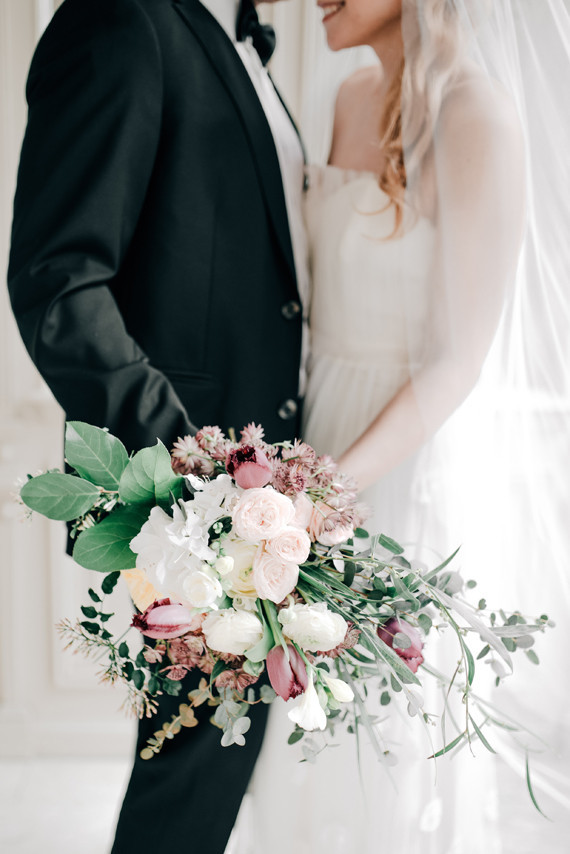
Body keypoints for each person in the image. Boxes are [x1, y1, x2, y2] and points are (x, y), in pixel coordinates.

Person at [227, 1, 570, 852]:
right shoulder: (346, 98)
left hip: (400, 465)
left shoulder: (476, 116)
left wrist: (327, 493)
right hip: (308, 439)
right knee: (292, 734)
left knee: (376, 741)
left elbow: (460, 361)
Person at [7, 0, 310, 851]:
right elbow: (59, 281)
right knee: (193, 770)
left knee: (212, 763)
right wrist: (188, 471)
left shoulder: (236, 34)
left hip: (277, 482)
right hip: (191, 494)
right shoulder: (119, 20)